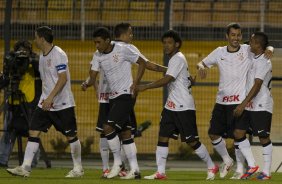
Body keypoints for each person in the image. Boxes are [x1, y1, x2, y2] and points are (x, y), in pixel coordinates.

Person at [138, 30, 219, 180]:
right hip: (171, 106)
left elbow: (167, 79)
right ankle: (160, 172)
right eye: (164, 43)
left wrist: (145, 86)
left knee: (192, 140)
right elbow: (185, 77)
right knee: (163, 137)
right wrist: (190, 81)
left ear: (177, 44)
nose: (166, 46)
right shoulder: (176, 59)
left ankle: (211, 166)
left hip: (184, 107)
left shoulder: (177, 58)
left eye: (169, 43)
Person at [197, 23, 273, 179]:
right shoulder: (219, 52)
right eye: (233, 35)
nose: (236, 38)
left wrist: (270, 49)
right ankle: (228, 160)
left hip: (239, 100)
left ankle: (243, 168)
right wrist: (201, 67)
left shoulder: (247, 49)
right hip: (221, 100)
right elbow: (202, 63)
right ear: (227, 36)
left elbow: (263, 46)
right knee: (213, 134)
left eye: (238, 35)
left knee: (238, 135)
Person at [6, 26, 83, 177]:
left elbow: (63, 79)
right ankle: (25, 167)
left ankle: (78, 168)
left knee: (71, 136)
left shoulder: (58, 54)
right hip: (45, 103)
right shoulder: (42, 56)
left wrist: (50, 97)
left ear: (42, 38)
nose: (34, 40)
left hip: (62, 103)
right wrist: (45, 98)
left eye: (36, 37)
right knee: (33, 131)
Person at [82, 27, 146, 179]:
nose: (96, 45)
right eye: (94, 43)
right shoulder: (97, 55)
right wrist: (88, 82)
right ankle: (135, 170)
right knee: (125, 134)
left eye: (99, 42)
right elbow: (92, 78)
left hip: (126, 96)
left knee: (107, 127)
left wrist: (136, 83)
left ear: (107, 40)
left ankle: (117, 163)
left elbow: (143, 63)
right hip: (113, 98)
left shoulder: (123, 49)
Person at [233, 32, 273, 180]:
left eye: (252, 41)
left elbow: (257, 85)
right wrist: (270, 47)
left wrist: (242, 105)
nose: (249, 43)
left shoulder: (264, 61)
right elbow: (267, 45)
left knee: (263, 137)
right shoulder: (252, 54)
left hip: (261, 104)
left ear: (258, 45)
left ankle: (267, 172)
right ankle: (252, 165)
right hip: (249, 104)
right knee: (238, 133)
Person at [0, 40, 41, 168]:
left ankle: (32, 162)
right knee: (8, 130)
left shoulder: (35, 61)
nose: (22, 54)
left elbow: (41, 71)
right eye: (19, 51)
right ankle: (2, 160)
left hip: (29, 102)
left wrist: (30, 60)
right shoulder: (12, 61)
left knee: (32, 132)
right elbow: (4, 80)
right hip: (13, 101)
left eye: (25, 51)